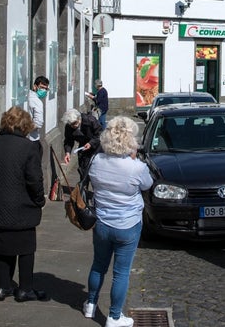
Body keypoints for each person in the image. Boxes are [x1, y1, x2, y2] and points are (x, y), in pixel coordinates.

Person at [82, 117, 152, 327]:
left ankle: (90, 304)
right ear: (130, 140)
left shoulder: (96, 161)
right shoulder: (136, 167)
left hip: (103, 222)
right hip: (128, 224)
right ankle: (114, 316)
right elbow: (147, 185)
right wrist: (133, 159)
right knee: (121, 272)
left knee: (98, 265)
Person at [0, 106, 48, 302]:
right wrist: (39, 200)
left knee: (2, 248)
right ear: (25, 125)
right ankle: (25, 289)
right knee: (26, 249)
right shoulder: (29, 148)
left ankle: (3, 287)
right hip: (22, 208)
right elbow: (34, 179)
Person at [62, 108, 103, 175]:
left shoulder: (90, 120)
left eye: (75, 123)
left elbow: (100, 134)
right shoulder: (69, 126)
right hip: (83, 148)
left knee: (96, 171)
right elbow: (68, 140)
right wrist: (67, 152)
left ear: (79, 118)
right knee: (83, 170)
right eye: (71, 124)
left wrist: (91, 143)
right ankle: (83, 183)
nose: (73, 126)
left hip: (96, 147)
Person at [27, 75, 50, 153]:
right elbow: (39, 122)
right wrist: (27, 130)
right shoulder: (37, 101)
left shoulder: (27, 97)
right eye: (42, 87)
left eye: (46, 89)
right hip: (32, 139)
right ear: (35, 86)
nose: (44, 90)